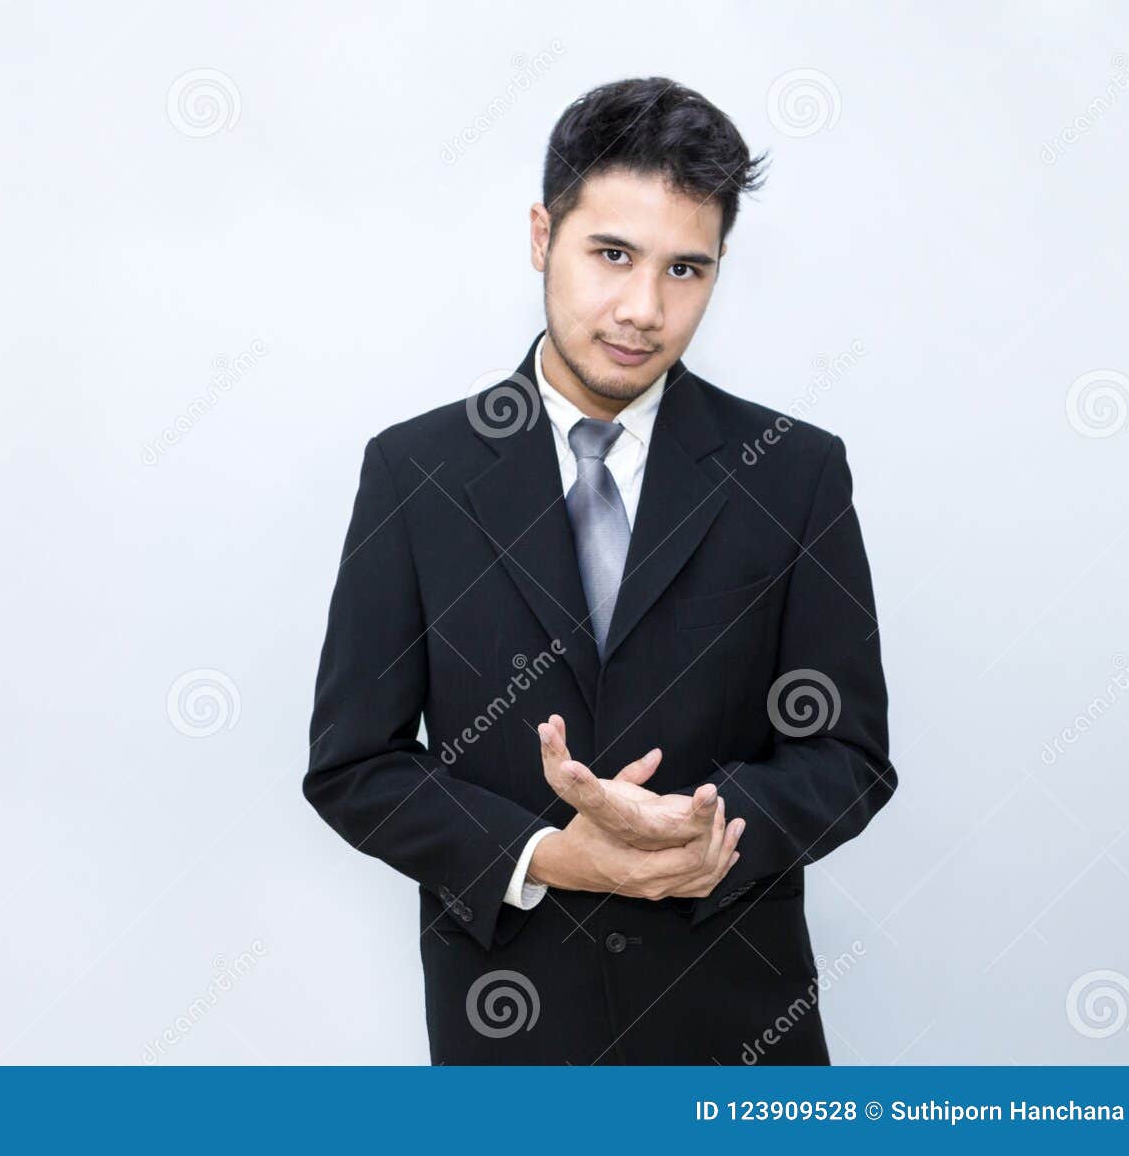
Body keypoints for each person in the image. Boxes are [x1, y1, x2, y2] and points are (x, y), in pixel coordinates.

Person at [303, 76, 896, 1064]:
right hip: (514, 1031)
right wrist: (547, 855)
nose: (642, 309)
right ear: (543, 236)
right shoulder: (415, 472)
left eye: (684, 270)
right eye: (611, 254)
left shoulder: (794, 471)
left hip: (739, 1032)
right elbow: (355, 763)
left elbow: (847, 753)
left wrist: (702, 832)